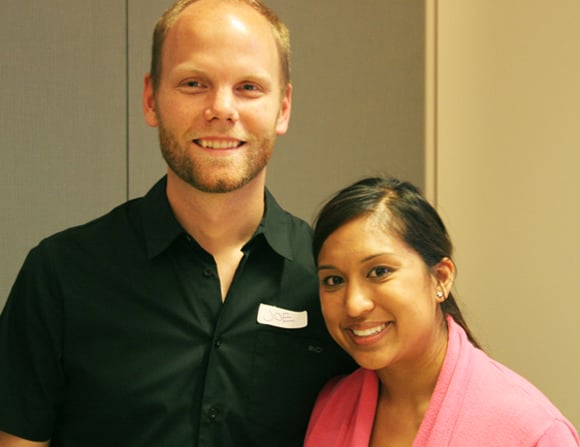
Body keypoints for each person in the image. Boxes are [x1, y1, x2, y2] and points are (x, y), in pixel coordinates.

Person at [0, 1, 355, 445]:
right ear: (152, 99)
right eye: (194, 83)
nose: (222, 109)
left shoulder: (333, 282)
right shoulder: (60, 274)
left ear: (283, 108)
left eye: (248, 86)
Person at [304, 176, 580, 446]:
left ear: (441, 277)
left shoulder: (533, 431)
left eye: (379, 272)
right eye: (334, 280)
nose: (354, 304)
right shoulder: (332, 406)